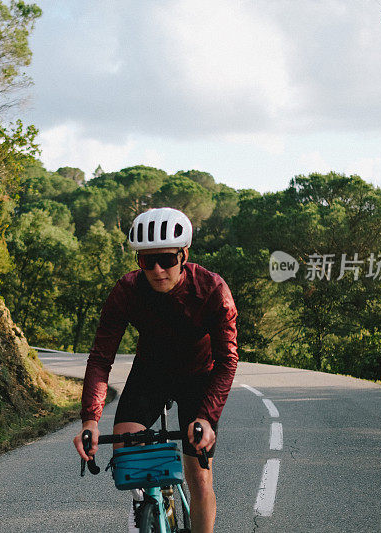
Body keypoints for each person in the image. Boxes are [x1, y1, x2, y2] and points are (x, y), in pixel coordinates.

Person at [73, 207, 238, 533]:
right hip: (151, 375)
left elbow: (227, 361)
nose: (158, 270)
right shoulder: (127, 291)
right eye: (148, 261)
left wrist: (206, 416)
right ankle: (147, 511)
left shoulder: (212, 291)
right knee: (126, 455)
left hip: (199, 379)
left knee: (200, 477)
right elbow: (101, 358)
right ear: (139, 262)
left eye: (167, 259)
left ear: (183, 255)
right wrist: (90, 420)